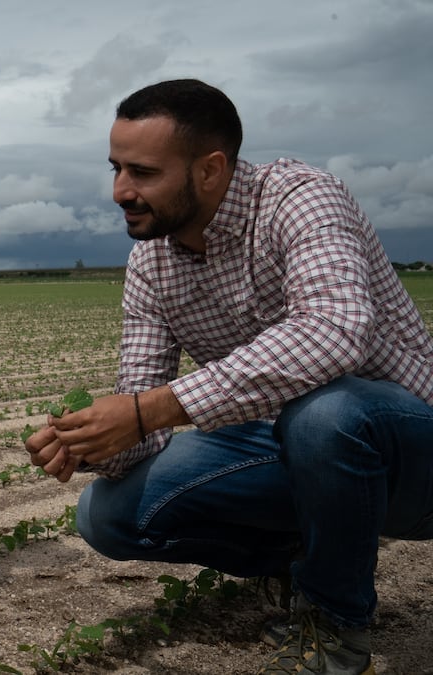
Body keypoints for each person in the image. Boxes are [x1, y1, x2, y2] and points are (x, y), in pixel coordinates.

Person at [25, 78, 433, 674]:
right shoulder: (151, 264)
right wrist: (89, 441)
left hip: (408, 458)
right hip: (286, 454)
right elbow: (143, 406)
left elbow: (335, 331)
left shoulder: (300, 199)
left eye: (142, 172)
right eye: (115, 168)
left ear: (211, 169)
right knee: (107, 515)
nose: (120, 191)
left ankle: (336, 631)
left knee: (325, 414)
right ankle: (298, 559)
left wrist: (148, 409)